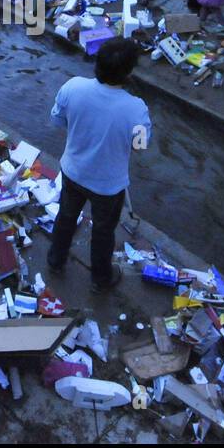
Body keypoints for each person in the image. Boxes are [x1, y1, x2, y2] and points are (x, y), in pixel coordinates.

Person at [47, 38, 152, 294]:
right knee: (103, 231)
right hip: (107, 185)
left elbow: (57, 120)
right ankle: (100, 278)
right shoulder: (136, 109)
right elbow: (139, 146)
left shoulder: (73, 87)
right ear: (128, 72)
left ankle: (55, 260)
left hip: (72, 171)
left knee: (66, 216)